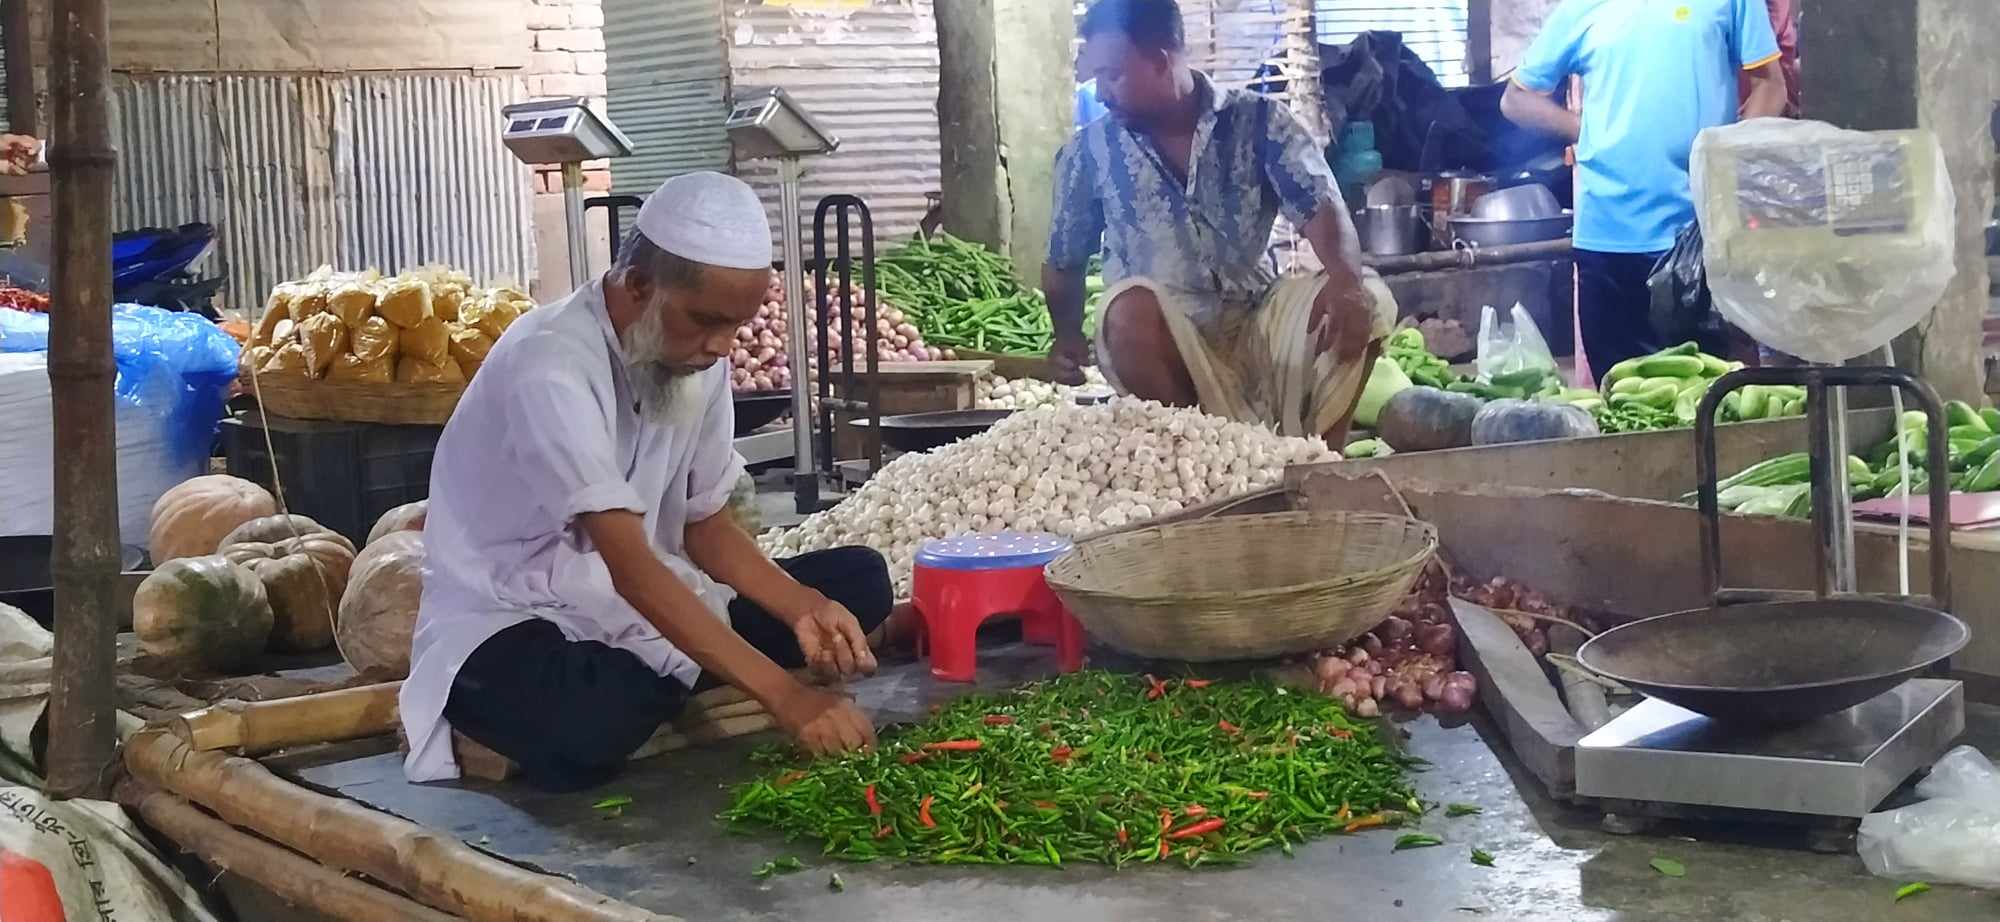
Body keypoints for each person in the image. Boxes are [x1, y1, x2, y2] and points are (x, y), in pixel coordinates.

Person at [400, 172, 888, 792]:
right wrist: (787, 698)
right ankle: (669, 668)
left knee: (858, 581)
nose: (721, 346)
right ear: (637, 286)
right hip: (515, 616)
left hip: (643, 599)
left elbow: (704, 523)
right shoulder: (551, 364)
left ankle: (675, 665)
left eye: (735, 327)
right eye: (707, 321)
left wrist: (802, 607)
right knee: (587, 729)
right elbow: (629, 565)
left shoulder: (695, 356)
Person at [1045, 0, 1395, 443]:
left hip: (1259, 322)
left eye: (1111, 75)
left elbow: (1322, 208)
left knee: (1368, 296)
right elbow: (1064, 261)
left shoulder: (1259, 121)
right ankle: (1201, 458)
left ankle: (1320, 459)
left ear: (1159, 61)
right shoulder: (1088, 153)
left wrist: (1346, 284)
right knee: (1126, 312)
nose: (1100, 93)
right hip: (1169, 342)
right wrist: (1066, 335)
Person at [1501, 0, 1788, 374]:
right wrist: (1590, 133)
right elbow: (1516, 99)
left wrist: (1728, 158)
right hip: (1608, 242)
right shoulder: (1580, 7)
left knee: (1708, 400)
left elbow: (1772, 84)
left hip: (1695, 241)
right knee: (1622, 402)